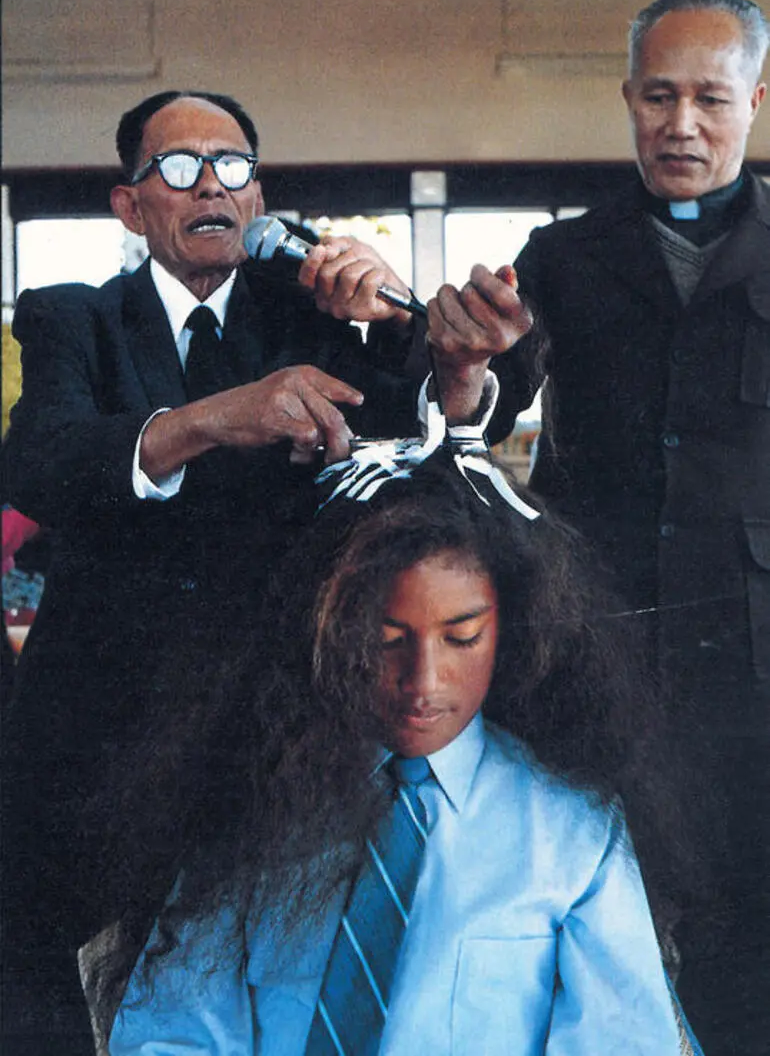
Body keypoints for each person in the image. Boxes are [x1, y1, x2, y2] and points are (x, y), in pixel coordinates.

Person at [0, 90, 526, 1055]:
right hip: (97, 732)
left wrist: (419, 329)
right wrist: (218, 416)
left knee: (261, 997)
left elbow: (442, 422)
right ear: (130, 206)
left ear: (259, 195)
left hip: (268, 736)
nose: (211, 183)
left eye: (232, 165)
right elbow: (44, 461)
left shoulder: (315, 318)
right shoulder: (73, 317)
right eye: (179, 167)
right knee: (68, 1001)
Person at [79, 435, 701, 1054]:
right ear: (328, 632)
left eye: (461, 637)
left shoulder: (574, 830)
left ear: (513, 631)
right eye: (384, 639)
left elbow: (622, 1044)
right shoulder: (253, 808)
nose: (423, 683)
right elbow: (172, 1035)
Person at [465, 0, 769, 1053]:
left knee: (748, 930)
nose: (679, 123)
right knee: (597, 913)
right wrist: (469, 357)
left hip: (751, 665)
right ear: (626, 99)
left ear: (754, 99)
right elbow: (484, 409)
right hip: (597, 647)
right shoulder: (562, 255)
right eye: (656, 95)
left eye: (708, 98)